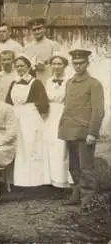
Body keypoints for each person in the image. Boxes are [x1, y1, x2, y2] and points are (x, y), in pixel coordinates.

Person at [59, 49, 105, 207]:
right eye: (75, 63)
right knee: (73, 166)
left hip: (85, 132)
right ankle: (76, 194)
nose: (77, 66)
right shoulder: (70, 82)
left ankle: (88, 199)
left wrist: (93, 132)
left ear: (87, 63)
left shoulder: (94, 84)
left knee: (86, 166)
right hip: (70, 130)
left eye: (81, 63)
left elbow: (98, 110)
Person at [6, 55, 50, 187]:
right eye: (17, 66)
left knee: (32, 147)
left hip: (30, 118)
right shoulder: (13, 83)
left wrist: (35, 116)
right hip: (16, 116)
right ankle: (20, 181)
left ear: (28, 67)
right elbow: (8, 102)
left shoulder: (35, 82)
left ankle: (36, 181)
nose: (19, 68)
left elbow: (43, 104)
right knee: (19, 148)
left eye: (22, 66)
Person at [43, 53, 73, 188]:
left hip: (63, 113)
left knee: (61, 145)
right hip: (50, 114)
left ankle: (62, 179)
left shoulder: (69, 81)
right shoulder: (48, 81)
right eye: (54, 63)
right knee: (49, 144)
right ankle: (50, 179)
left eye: (59, 63)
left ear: (65, 65)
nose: (56, 66)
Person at [22, 17, 61, 83]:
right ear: (31, 31)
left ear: (44, 29)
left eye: (39, 28)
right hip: (31, 83)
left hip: (48, 81)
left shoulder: (53, 45)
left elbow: (58, 66)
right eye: (34, 30)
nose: (37, 31)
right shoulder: (26, 48)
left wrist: (45, 64)